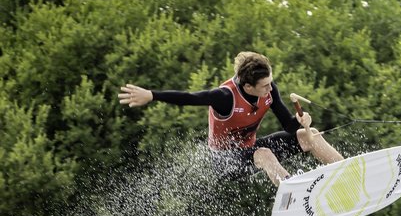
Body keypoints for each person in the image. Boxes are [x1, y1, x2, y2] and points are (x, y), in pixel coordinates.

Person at [118, 51, 343, 184]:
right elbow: (189, 97)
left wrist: (301, 123)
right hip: (225, 161)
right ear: (248, 86)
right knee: (264, 154)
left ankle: (346, 171)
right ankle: (293, 191)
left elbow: (287, 123)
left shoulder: (268, 88)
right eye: (264, 86)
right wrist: (151, 95)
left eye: (270, 82)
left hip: (250, 150)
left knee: (308, 134)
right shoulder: (225, 97)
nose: (270, 88)